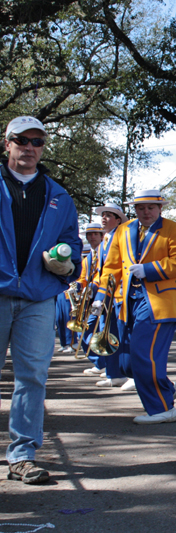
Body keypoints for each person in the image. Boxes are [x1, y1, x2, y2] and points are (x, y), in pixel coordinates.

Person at [1, 116, 82, 484]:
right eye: (22, 140)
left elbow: (72, 244)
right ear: (7, 144)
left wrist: (68, 265)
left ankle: (22, 455)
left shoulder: (60, 196)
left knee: (32, 377)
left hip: (38, 297)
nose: (30, 147)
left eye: (38, 141)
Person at [93, 189, 176, 423]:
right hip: (128, 302)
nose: (146, 212)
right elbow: (112, 267)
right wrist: (101, 295)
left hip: (159, 302)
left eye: (150, 207)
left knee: (144, 356)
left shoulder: (173, 229)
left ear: (160, 208)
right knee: (126, 363)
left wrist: (148, 270)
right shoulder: (124, 231)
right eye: (140, 208)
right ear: (133, 210)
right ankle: (165, 386)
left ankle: (162, 409)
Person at [89, 204, 129, 388]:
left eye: (108, 215)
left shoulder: (123, 236)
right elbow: (102, 270)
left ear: (118, 219)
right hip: (107, 294)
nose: (103, 218)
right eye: (102, 215)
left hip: (120, 294)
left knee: (122, 335)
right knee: (108, 334)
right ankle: (113, 374)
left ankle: (127, 373)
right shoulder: (105, 239)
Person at [73, 223, 104, 372]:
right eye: (89, 234)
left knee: (96, 330)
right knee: (83, 331)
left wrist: (93, 286)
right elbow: (83, 278)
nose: (92, 237)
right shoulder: (88, 258)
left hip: (102, 296)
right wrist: (77, 286)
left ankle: (104, 364)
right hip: (90, 298)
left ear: (101, 236)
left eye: (95, 234)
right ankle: (100, 363)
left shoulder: (106, 252)